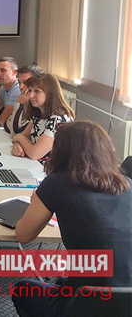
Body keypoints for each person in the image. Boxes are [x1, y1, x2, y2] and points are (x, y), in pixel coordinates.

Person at [13, 121, 132, 317]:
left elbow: (23, 235)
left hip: (84, 305)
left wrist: (37, 202)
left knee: (23, 289)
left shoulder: (57, 183)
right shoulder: (127, 184)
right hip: (128, 302)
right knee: (63, 281)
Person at [11, 73, 75, 164]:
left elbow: (34, 154)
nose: (31, 95)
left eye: (37, 91)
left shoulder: (58, 119)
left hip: (51, 169)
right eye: (30, 90)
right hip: (35, 165)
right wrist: (18, 145)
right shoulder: (38, 113)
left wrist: (19, 138)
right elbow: (20, 137)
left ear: (50, 93)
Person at [4, 64, 43, 136]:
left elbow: (15, 133)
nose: (21, 87)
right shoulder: (27, 101)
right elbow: (7, 125)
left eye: (25, 83)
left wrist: (19, 105)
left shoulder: (38, 106)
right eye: (19, 83)